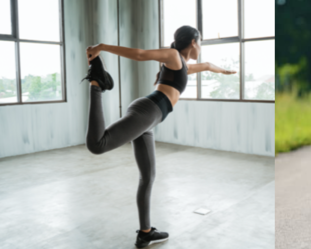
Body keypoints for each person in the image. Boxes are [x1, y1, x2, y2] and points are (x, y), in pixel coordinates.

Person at [84, 25, 237, 248]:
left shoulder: (182, 64)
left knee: (148, 176)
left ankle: (145, 233)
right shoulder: (172, 55)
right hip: (148, 111)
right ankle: (96, 82)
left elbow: (205, 66)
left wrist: (223, 71)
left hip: (150, 118)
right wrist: (102, 47)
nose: (201, 47)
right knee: (97, 145)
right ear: (193, 42)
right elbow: (140, 54)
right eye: (201, 42)